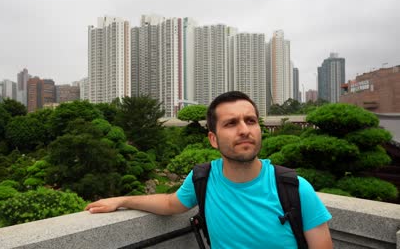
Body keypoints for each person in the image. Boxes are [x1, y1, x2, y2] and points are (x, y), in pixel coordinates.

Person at [86, 91, 332, 248]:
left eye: (251, 121)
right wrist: (122, 200)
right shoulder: (203, 178)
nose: (244, 130)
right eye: (231, 123)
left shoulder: (294, 188)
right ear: (213, 139)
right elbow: (171, 203)